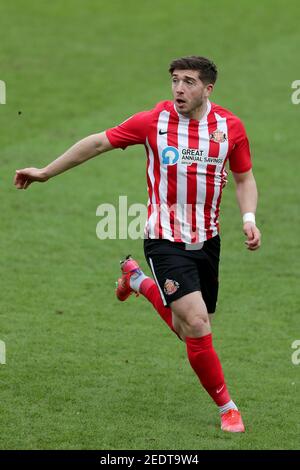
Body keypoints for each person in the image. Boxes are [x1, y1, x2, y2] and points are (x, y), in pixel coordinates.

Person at [14, 56, 261, 433]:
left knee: (190, 329)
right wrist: (46, 172)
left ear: (208, 89)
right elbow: (98, 143)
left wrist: (249, 219)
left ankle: (137, 282)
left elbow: (244, 178)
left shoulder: (230, 127)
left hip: (207, 239)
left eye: (189, 82)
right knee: (196, 324)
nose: (179, 88)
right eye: (175, 80)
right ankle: (228, 407)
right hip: (164, 238)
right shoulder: (153, 122)